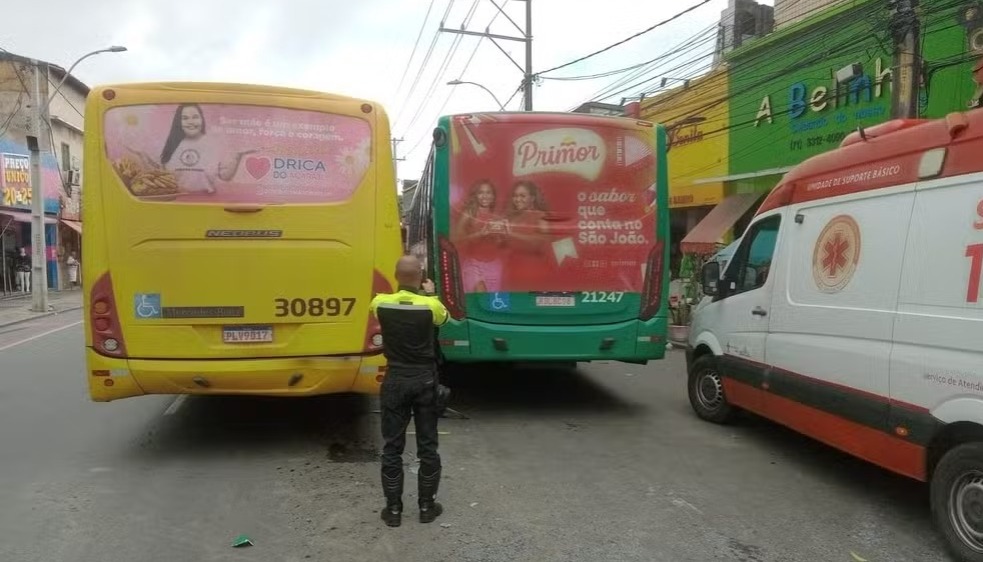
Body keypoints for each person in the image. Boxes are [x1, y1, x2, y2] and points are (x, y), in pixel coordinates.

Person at [368, 255, 449, 527]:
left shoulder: (380, 303)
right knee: (428, 445)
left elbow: (382, 305)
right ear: (421, 275)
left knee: (392, 446)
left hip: (395, 379)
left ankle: (393, 510)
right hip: (424, 380)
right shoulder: (431, 306)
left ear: (395, 275)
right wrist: (430, 292)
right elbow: (443, 320)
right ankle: (426, 507)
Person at [452, 179, 507, 292]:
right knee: (480, 293)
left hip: (494, 266)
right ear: (475, 195)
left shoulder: (497, 218)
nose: (484, 196)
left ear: (493, 196)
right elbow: (456, 240)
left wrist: (501, 236)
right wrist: (480, 234)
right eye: (481, 192)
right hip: (474, 264)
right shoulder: (469, 214)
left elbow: (501, 245)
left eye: (488, 192)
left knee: (492, 301)